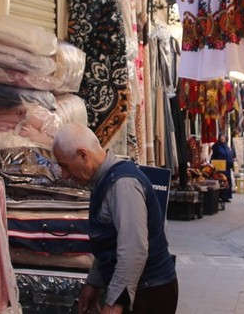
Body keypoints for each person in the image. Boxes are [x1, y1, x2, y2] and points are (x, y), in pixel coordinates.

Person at [52, 123, 178, 314]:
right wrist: (93, 283)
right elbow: (109, 243)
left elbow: (133, 251)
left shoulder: (122, 184)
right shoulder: (105, 179)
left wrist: (114, 303)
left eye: (65, 166)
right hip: (141, 288)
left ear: (83, 155)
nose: (64, 174)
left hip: (149, 293)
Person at [211, 133, 235, 202]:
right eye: (221, 137)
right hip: (220, 167)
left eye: (224, 137)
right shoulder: (216, 146)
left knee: (227, 181)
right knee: (222, 181)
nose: (222, 138)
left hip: (227, 167)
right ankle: (221, 196)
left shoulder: (227, 146)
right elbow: (215, 156)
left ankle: (226, 196)